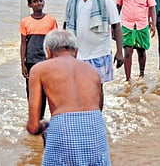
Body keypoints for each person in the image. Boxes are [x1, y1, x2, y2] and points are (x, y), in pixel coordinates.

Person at [26, 30, 111, 165]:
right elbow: (98, 108)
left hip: (63, 127)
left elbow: (33, 126)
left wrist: (46, 125)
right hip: (95, 127)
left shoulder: (39, 69)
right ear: (76, 52)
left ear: (48, 51)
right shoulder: (93, 71)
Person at [64, 0, 124, 109]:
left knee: (97, 89)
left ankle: (97, 119)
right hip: (77, 55)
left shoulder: (105, 0)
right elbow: (65, 27)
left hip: (99, 53)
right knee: (76, 91)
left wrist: (119, 52)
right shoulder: (72, 1)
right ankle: (82, 118)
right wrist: (63, 52)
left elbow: (117, 26)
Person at [20, 0, 58, 120]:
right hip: (30, 62)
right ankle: (34, 117)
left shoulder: (51, 21)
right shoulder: (25, 22)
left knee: (45, 91)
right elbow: (23, 44)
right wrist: (23, 63)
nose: (38, 3)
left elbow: (54, 43)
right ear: (30, 5)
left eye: (40, 0)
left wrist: (54, 62)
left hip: (46, 62)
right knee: (31, 92)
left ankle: (42, 118)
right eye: (35, 2)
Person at [116, 0, 157, 81]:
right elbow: (118, 7)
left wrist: (153, 25)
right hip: (126, 25)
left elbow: (152, 7)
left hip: (142, 25)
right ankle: (128, 79)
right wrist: (114, 27)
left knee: (141, 51)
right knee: (127, 52)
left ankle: (141, 75)